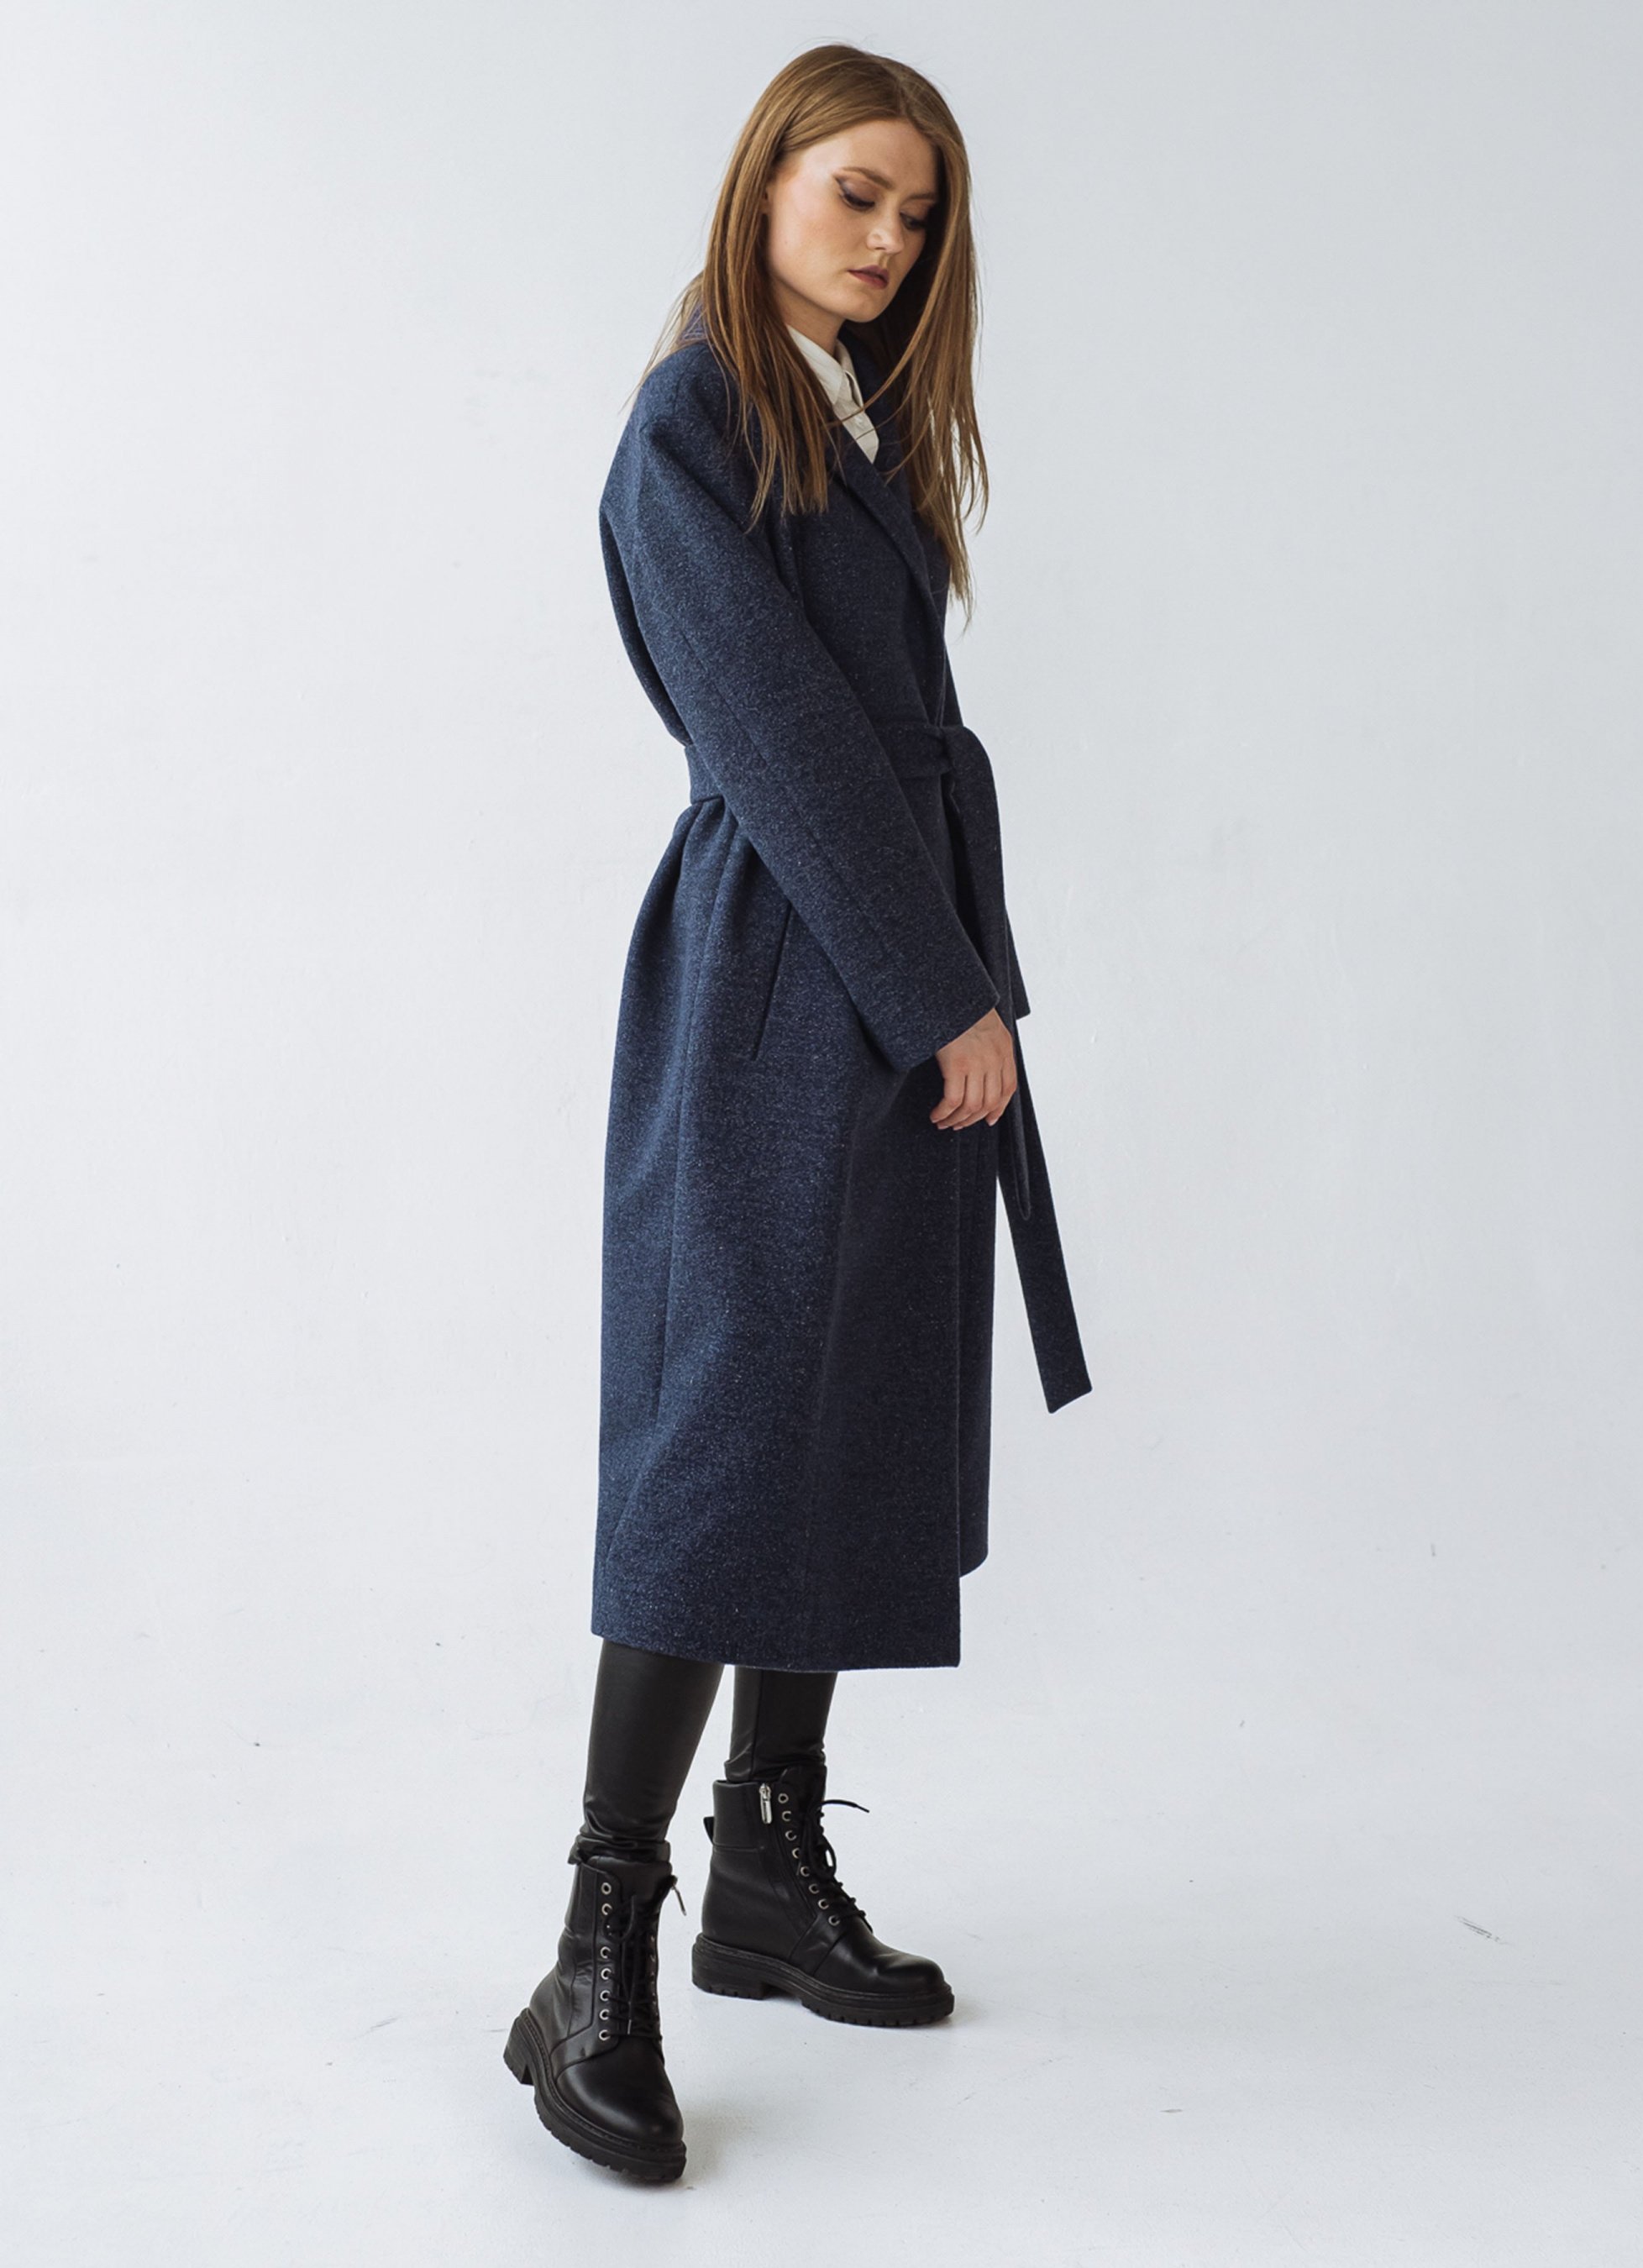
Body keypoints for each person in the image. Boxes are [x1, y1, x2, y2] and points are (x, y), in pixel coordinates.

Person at [503, 43, 1091, 2184]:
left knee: (837, 1418)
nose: (887, 240)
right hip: (779, 973)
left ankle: (762, 1866)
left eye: (916, 215)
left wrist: (951, 982)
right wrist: (941, 993)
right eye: (855, 193)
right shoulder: (695, 418)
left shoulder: (852, 426)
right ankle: (594, 1942)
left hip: (882, 959)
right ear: (762, 182)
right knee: (727, 1427)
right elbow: (774, 735)